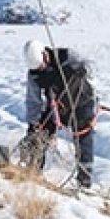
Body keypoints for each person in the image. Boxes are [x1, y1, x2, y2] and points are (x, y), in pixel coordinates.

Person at [17, 39, 96, 188]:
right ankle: (33, 171)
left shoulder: (66, 56)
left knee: (83, 139)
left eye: (42, 65)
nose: (41, 69)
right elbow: (33, 101)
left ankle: (84, 181)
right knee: (39, 134)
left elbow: (88, 64)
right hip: (57, 107)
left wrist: (82, 69)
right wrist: (34, 124)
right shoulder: (34, 74)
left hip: (82, 102)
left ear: (44, 54)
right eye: (38, 68)